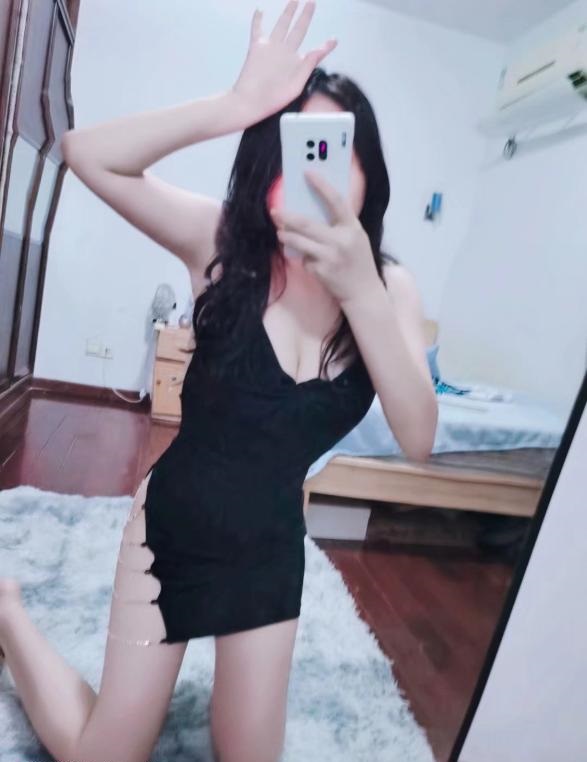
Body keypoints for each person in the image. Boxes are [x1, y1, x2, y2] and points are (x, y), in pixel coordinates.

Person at [0, 2, 437, 761]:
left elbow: (419, 439)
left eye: (332, 153)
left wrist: (361, 290)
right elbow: (86, 152)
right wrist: (233, 105)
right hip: (173, 528)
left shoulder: (388, 289)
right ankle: (6, 612)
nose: (312, 177)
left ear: (368, 170)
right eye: (293, 152)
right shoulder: (220, 245)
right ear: (266, 168)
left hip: (268, 547)